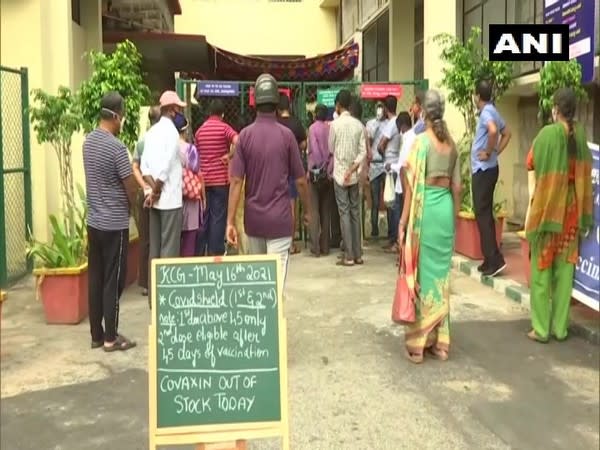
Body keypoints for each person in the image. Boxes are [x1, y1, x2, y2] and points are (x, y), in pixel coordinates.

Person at [226, 73, 311, 285]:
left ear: (255, 102)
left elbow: (236, 181)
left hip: (254, 222)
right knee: (275, 284)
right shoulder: (287, 136)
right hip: (281, 221)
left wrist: (229, 222)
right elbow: (301, 181)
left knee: (260, 281)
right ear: (276, 101)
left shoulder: (244, 136)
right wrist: (309, 211)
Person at [525, 87, 593, 343]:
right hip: (572, 213)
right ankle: (560, 328)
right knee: (565, 271)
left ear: (555, 109)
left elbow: (531, 161)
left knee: (541, 267)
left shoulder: (547, 134)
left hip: (549, 209)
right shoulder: (581, 135)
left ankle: (541, 329)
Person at [398, 90, 461, 364]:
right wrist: (455, 220)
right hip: (445, 211)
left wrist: (402, 222)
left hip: (426, 214)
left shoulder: (420, 143)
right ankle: (442, 344)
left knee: (423, 276)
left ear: (423, 111)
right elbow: (457, 187)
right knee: (441, 278)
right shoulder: (452, 146)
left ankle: (418, 344)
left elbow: (411, 188)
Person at [83, 91, 138, 352]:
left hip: (93, 222)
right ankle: (111, 338)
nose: (123, 120)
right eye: (123, 116)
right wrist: (135, 204)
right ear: (115, 116)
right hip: (114, 225)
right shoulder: (117, 148)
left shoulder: (88, 142)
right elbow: (130, 187)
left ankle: (96, 334)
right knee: (113, 281)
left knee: (95, 276)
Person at [141, 90, 185, 305]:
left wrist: (152, 190)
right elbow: (167, 167)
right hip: (170, 199)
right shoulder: (173, 134)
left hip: (154, 198)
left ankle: (153, 299)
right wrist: (159, 188)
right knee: (169, 249)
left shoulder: (150, 133)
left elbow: (144, 167)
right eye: (178, 108)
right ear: (172, 110)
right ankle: (166, 300)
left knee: (155, 250)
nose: (179, 112)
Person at [471, 79, 512, 277]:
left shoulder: (487, 112)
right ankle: (489, 259)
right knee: (484, 214)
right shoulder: (493, 110)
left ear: (478, 95)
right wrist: (496, 152)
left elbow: (495, 132)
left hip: (483, 170)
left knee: (482, 214)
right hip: (489, 169)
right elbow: (507, 133)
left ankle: (495, 260)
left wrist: (488, 152)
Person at [194, 99, 239, 256]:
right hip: (220, 180)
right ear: (222, 114)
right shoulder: (224, 128)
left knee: (204, 217)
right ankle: (216, 252)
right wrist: (230, 155)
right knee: (218, 217)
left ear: (209, 113)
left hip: (204, 182)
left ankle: (200, 252)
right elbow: (238, 141)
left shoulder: (199, 131)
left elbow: (196, 155)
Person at [329, 89, 367, 267]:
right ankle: (358, 254)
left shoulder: (334, 125)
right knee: (355, 212)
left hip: (339, 175)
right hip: (354, 175)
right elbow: (363, 152)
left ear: (338, 105)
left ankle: (349, 255)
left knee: (344, 212)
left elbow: (331, 148)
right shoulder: (359, 125)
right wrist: (353, 167)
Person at [131, 105, 161, 296]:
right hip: (162, 193)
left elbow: (135, 166)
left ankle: (145, 283)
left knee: (146, 237)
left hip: (146, 192)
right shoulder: (165, 138)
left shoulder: (142, 141)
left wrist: (144, 186)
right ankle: (159, 280)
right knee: (161, 237)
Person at [277, 94, 307, 255]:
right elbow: (303, 143)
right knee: (292, 206)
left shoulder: (274, 124)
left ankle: (276, 241)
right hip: (293, 170)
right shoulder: (296, 123)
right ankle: (290, 244)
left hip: (276, 169)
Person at [175, 114, 204, 257]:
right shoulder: (190, 150)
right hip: (191, 202)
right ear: (185, 131)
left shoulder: (167, 147)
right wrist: (203, 200)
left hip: (172, 201)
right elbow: (198, 173)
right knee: (189, 244)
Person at [307, 103, 333, 257]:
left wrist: (318, 167)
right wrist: (328, 169)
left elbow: (315, 151)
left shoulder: (312, 129)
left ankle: (315, 247)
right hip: (328, 174)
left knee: (314, 210)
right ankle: (325, 246)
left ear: (316, 114)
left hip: (316, 173)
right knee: (326, 211)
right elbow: (332, 151)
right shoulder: (330, 128)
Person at [378, 95, 402, 252]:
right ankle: (393, 238)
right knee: (392, 203)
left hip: (390, 166)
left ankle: (394, 239)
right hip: (396, 164)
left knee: (392, 204)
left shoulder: (391, 124)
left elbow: (381, 145)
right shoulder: (398, 122)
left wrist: (382, 154)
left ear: (386, 109)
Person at [385, 112, 413, 245]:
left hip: (403, 184)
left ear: (401, 127)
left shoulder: (408, 140)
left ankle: (399, 243)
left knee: (399, 215)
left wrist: (391, 166)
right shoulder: (413, 137)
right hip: (406, 183)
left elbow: (403, 165)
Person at [365, 101, 388, 240]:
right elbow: (368, 142)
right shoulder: (370, 124)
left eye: (382, 108)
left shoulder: (389, 124)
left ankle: (391, 231)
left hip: (385, 165)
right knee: (374, 199)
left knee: (388, 198)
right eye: (378, 108)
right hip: (374, 165)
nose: (379, 110)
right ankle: (374, 229)